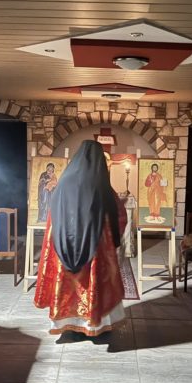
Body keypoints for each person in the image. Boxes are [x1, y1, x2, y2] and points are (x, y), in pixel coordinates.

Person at [34, 140, 127, 336]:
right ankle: (93, 323)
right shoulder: (101, 185)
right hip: (95, 249)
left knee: (67, 285)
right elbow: (119, 215)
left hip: (63, 246)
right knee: (94, 284)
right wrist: (114, 239)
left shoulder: (63, 183)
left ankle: (67, 321)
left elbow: (52, 218)